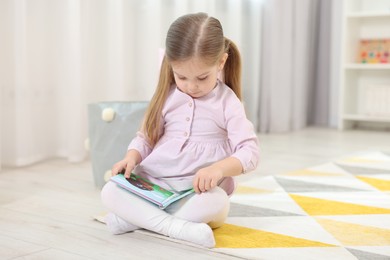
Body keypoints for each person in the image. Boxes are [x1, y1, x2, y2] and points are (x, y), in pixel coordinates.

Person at [101, 12, 259, 248]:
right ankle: (175, 227)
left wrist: (218, 169)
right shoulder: (167, 96)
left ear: (221, 62)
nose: (191, 86)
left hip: (196, 193)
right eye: (182, 76)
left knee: (216, 203)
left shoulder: (228, 103)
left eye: (202, 77)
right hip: (156, 185)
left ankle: (138, 220)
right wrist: (131, 157)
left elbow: (250, 152)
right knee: (110, 191)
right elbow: (145, 138)